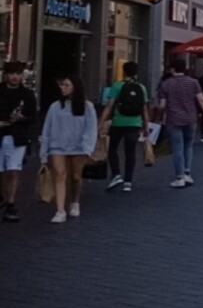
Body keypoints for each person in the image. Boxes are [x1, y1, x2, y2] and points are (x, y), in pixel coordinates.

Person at [37, 76, 98, 223]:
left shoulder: (87, 107)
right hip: (57, 146)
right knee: (59, 175)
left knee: (76, 177)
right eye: (61, 85)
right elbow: (47, 129)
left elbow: (91, 128)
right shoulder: (55, 107)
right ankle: (60, 210)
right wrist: (44, 152)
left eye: (66, 85)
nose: (62, 88)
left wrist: (87, 148)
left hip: (78, 147)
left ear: (75, 87)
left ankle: (75, 202)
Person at [156, 58, 203, 189]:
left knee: (177, 148)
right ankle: (187, 173)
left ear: (172, 69)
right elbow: (201, 99)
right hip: (191, 118)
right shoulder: (193, 82)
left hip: (173, 119)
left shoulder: (166, 84)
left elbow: (162, 105)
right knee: (188, 146)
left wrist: (159, 117)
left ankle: (179, 177)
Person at [99, 61, 148, 193]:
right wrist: (146, 126)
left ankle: (116, 175)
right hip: (135, 123)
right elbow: (144, 109)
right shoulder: (141, 88)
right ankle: (128, 182)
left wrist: (101, 122)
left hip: (118, 122)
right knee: (130, 152)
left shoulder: (117, 86)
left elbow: (109, 106)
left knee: (112, 149)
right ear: (136, 72)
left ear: (124, 71)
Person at [0, 61, 38, 222]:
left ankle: (11, 204)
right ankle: (3, 196)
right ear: (6, 75)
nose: (15, 77)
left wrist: (22, 118)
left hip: (17, 137)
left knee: (14, 171)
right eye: (12, 73)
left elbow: (33, 118)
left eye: (18, 74)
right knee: (2, 171)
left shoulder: (27, 94)